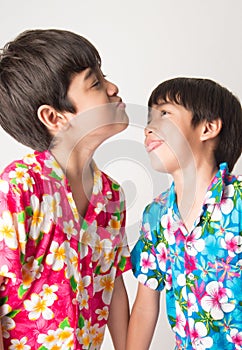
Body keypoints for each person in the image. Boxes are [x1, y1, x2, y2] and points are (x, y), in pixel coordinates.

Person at [0, 29, 131, 350]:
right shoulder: (21, 187)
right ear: (54, 117)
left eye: (105, 77)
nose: (113, 88)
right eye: (96, 83)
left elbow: (112, 285)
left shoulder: (112, 195)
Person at [127, 77, 242, 350]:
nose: (148, 129)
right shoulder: (155, 216)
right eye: (149, 119)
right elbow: (144, 307)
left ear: (208, 127)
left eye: (164, 114)